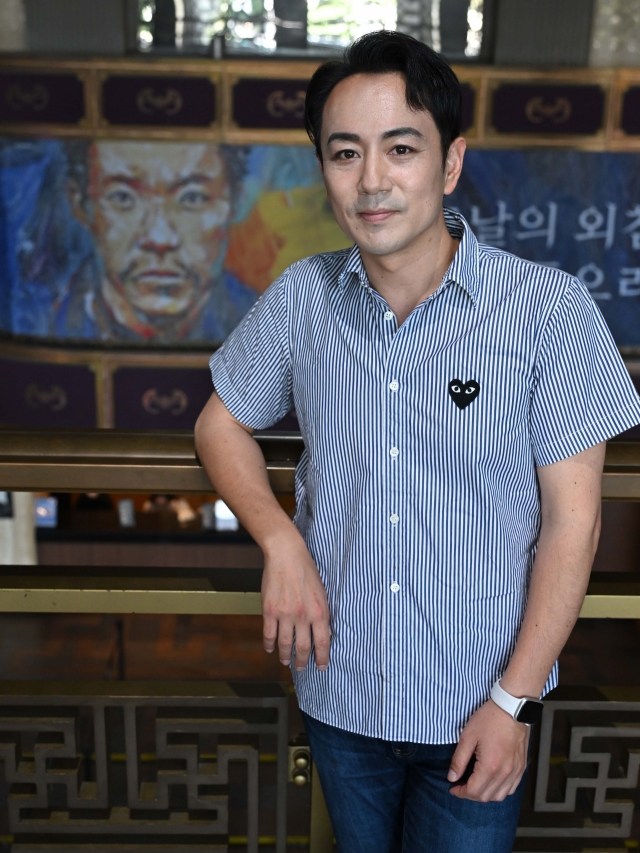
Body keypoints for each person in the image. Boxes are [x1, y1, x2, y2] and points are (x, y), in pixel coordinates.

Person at [194, 31, 640, 852]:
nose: (372, 182)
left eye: (401, 149)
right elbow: (219, 422)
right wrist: (278, 538)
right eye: (344, 153)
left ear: (450, 162)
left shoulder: (548, 311)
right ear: (322, 168)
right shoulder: (304, 299)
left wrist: (514, 702)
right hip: (342, 692)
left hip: (478, 703)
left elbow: (574, 526)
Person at [55, 140, 257, 342]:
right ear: (80, 205)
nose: (160, 239)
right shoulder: (46, 321)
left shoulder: (268, 331)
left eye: (193, 198)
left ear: (235, 202)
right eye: (123, 197)